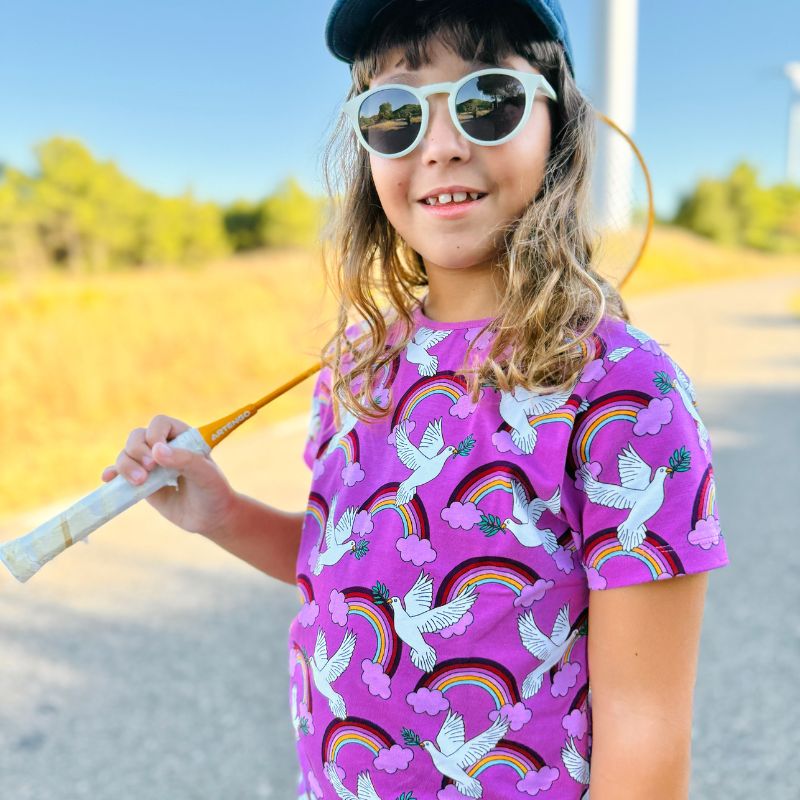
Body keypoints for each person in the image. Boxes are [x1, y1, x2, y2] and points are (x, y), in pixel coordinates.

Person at [102, 1, 731, 797]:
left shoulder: (624, 395)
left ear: (559, 125)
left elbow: (646, 733)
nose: (441, 145)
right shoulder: (357, 370)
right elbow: (353, 564)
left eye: (488, 101)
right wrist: (221, 514)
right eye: (396, 112)